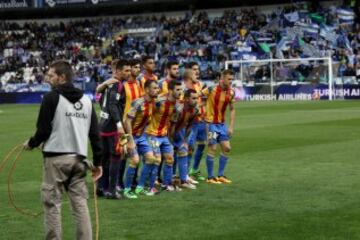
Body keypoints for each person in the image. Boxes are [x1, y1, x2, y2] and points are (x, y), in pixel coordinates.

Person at [23, 60, 103, 240]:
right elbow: (95, 136)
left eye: (51, 75)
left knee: (52, 205)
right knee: (80, 206)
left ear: (62, 77)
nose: (47, 78)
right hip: (79, 161)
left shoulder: (51, 97)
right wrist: (98, 163)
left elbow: (43, 130)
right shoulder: (87, 101)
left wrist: (31, 143)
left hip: (56, 160)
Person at [98, 59, 131, 199]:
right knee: (117, 156)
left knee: (104, 158)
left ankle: (101, 187)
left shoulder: (108, 84)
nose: (128, 73)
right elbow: (112, 105)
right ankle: (112, 190)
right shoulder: (118, 85)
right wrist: (119, 125)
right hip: (114, 127)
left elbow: (100, 100)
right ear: (117, 71)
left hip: (102, 125)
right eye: (126, 71)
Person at [123, 80, 160, 198]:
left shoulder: (153, 103)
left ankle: (140, 187)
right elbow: (127, 121)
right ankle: (127, 189)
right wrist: (129, 139)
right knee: (135, 160)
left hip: (141, 136)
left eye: (157, 88)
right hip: (130, 136)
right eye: (154, 88)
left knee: (151, 159)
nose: (157, 90)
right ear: (147, 90)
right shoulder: (138, 103)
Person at [146, 80, 182, 191]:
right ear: (170, 90)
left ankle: (166, 184)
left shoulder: (176, 106)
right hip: (152, 135)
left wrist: (170, 138)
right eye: (178, 90)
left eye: (181, 90)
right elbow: (148, 113)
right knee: (156, 160)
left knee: (170, 159)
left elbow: (173, 122)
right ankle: (150, 185)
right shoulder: (158, 101)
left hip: (164, 136)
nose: (180, 92)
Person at [203, 69, 236, 184]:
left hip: (222, 125)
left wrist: (231, 127)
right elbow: (200, 98)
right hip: (211, 123)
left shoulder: (231, 92)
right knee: (212, 147)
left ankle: (220, 175)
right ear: (222, 78)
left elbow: (232, 109)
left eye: (232, 79)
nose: (231, 81)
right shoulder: (211, 89)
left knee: (227, 148)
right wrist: (203, 113)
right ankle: (210, 177)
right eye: (229, 79)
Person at [170, 89, 200, 189]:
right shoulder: (178, 108)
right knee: (165, 156)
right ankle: (165, 180)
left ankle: (183, 181)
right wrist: (170, 141)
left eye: (197, 98)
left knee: (183, 151)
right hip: (167, 131)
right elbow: (171, 125)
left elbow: (189, 126)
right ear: (186, 99)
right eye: (194, 98)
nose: (196, 100)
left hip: (180, 131)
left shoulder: (195, 109)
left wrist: (184, 141)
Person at [184, 63, 207, 181]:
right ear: (189, 72)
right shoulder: (186, 88)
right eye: (194, 70)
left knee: (202, 144)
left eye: (198, 69)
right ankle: (185, 174)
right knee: (189, 147)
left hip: (201, 119)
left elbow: (203, 102)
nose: (197, 72)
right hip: (192, 121)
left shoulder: (200, 84)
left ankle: (195, 169)